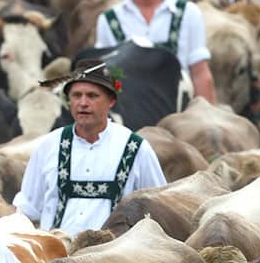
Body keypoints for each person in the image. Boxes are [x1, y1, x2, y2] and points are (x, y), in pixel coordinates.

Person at [14, 60, 167, 236]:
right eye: (76, 95)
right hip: (55, 258)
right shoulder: (48, 146)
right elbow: (25, 211)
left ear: (111, 101)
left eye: (92, 96)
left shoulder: (136, 148)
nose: (83, 103)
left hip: (114, 259)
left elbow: (158, 210)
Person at [95, 0, 217, 103]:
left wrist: (206, 115)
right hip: (128, 109)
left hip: (180, 109)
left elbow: (200, 73)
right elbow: (104, 77)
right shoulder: (109, 20)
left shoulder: (188, 13)